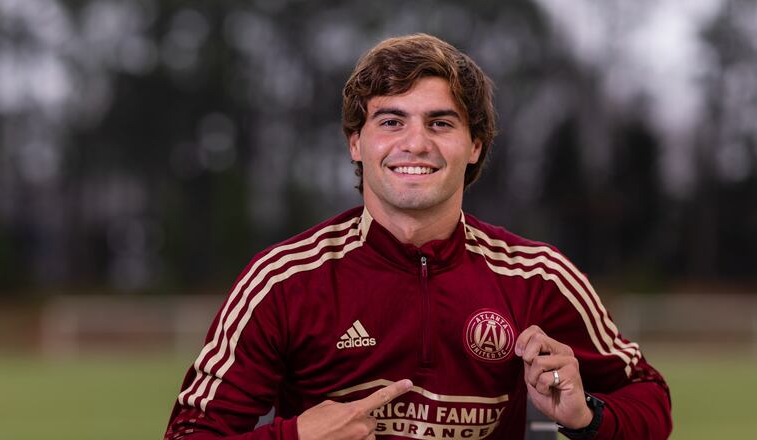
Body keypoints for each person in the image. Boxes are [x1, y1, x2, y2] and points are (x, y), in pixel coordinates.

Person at [164, 33, 672, 439]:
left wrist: (587, 416)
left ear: (475, 145)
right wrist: (294, 437)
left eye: (440, 123)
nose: (415, 143)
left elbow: (649, 399)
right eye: (391, 120)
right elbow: (190, 434)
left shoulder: (538, 277)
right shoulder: (283, 281)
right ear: (355, 144)